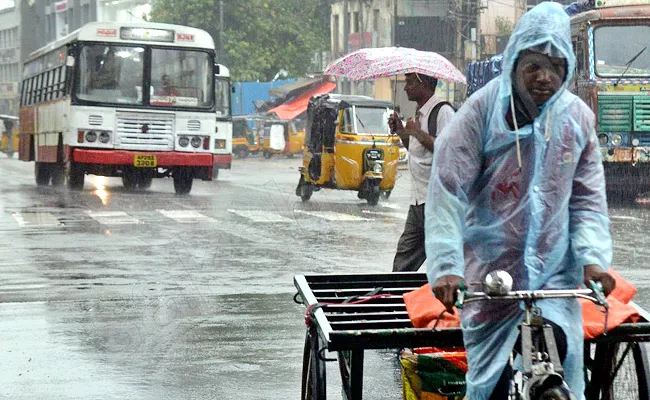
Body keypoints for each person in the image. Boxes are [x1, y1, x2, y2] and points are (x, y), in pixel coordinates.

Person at [424, 3, 615, 399]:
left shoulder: (577, 119)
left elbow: (588, 200)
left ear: (567, 69)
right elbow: (447, 192)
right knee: (490, 385)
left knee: (560, 352)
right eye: (534, 66)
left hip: (555, 275)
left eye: (556, 66)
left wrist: (593, 259)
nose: (545, 78)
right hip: (490, 275)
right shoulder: (478, 113)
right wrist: (446, 266)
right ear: (514, 63)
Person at [390, 72, 455, 272]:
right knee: (403, 263)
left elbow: (448, 150)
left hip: (438, 202)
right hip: (418, 201)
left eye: (409, 82)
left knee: (444, 263)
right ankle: (395, 301)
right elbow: (417, 152)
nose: (405, 88)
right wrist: (402, 131)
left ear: (424, 83)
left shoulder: (443, 112)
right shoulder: (419, 115)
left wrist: (416, 132)